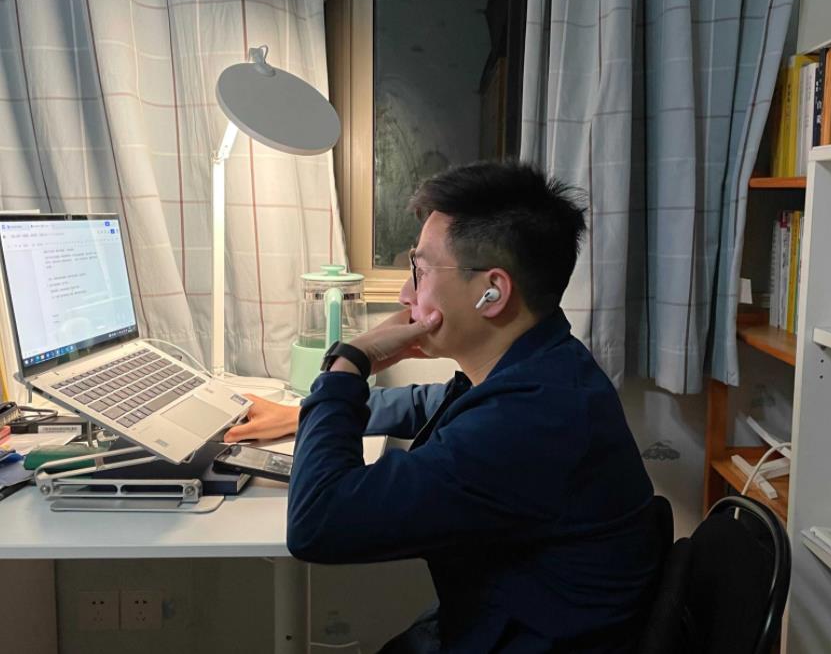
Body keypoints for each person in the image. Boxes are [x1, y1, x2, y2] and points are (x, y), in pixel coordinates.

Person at [226, 161, 660, 653]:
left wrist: (347, 365)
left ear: (492, 293)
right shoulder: (546, 366)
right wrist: (308, 413)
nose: (405, 293)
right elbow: (432, 401)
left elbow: (317, 523)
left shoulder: (527, 424)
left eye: (421, 270)